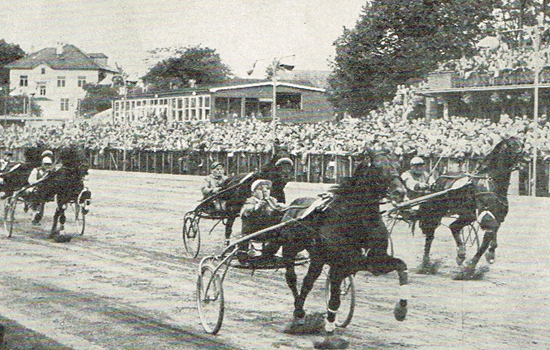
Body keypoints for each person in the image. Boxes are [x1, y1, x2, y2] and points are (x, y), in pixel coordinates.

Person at [239, 179, 286, 263]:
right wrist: (256, 206)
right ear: (253, 192)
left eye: (267, 189)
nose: (265, 191)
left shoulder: (272, 201)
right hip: (252, 231)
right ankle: (253, 253)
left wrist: (282, 208)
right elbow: (244, 212)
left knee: (280, 236)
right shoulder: (250, 201)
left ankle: (271, 255)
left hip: (268, 231)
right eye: (260, 189)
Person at [27, 155, 54, 225]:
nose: (47, 166)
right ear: (42, 164)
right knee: (35, 199)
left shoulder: (50, 172)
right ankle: (33, 212)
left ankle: (37, 218)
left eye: (49, 165)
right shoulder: (36, 170)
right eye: (46, 164)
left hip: (45, 190)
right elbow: (31, 181)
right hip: (35, 187)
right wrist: (39, 181)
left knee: (42, 203)